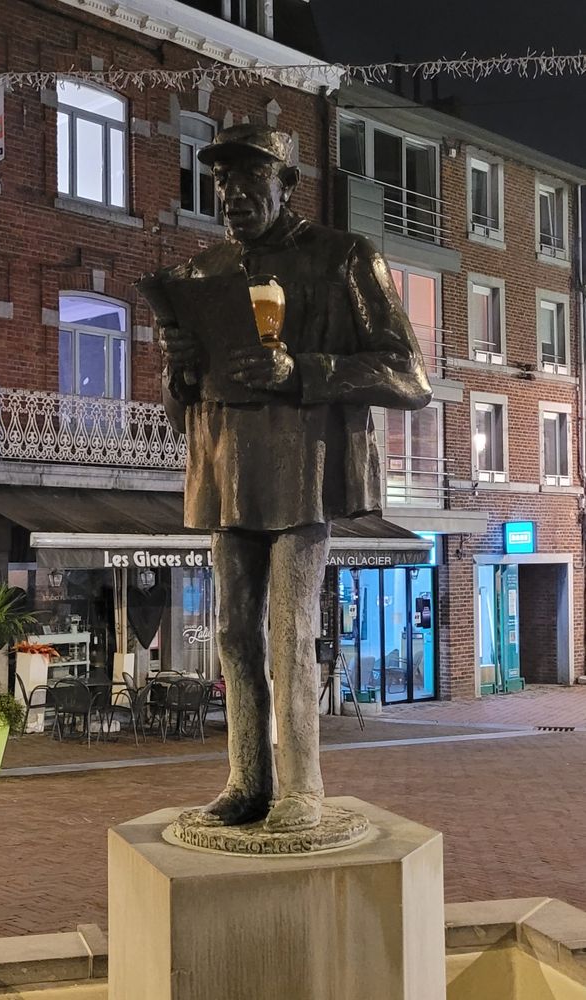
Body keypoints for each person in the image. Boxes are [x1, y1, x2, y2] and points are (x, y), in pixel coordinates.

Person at [157, 124, 431, 833]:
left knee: (290, 627)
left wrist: (302, 370)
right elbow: (181, 402)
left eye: (250, 181)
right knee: (232, 635)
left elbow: (409, 376)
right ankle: (247, 781)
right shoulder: (202, 270)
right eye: (221, 184)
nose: (234, 197)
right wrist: (181, 366)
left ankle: (300, 788)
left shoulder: (342, 258)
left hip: (302, 470)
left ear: (285, 184)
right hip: (224, 468)